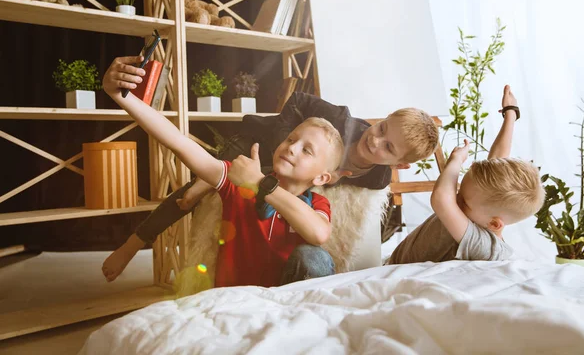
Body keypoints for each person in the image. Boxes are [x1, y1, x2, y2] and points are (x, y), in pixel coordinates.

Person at [101, 55, 440, 281]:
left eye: (305, 149)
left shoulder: (325, 200)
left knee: (315, 257)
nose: (375, 141)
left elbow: (320, 234)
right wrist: (123, 98)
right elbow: (179, 142)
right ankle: (136, 240)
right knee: (196, 185)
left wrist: (264, 184)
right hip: (255, 149)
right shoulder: (334, 125)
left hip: (287, 289)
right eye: (381, 129)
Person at [388, 85, 545, 264]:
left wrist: (455, 160)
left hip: (397, 271)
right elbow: (497, 158)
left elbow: (441, 200)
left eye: (463, 201)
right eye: (460, 190)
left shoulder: (484, 246)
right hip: (391, 261)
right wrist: (510, 114)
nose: (455, 197)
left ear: (494, 224)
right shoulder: (484, 210)